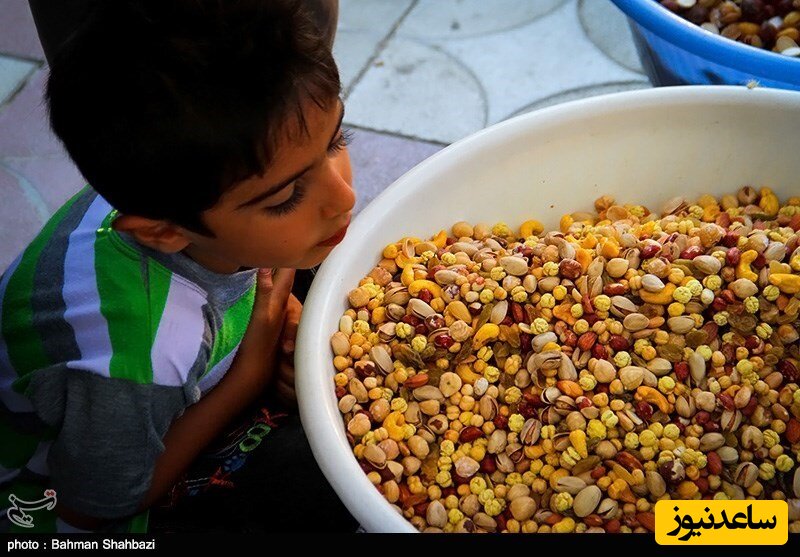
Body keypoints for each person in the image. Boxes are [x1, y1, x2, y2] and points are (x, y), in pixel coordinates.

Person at [0, 0, 357, 533]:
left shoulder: (179, 176)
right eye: (286, 197)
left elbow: (276, 254)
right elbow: (97, 505)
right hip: (50, 512)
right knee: (316, 481)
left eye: (337, 143)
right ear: (162, 232)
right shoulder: (139, 354)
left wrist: (279, 310)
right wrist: (250, 373)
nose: (343, 196)